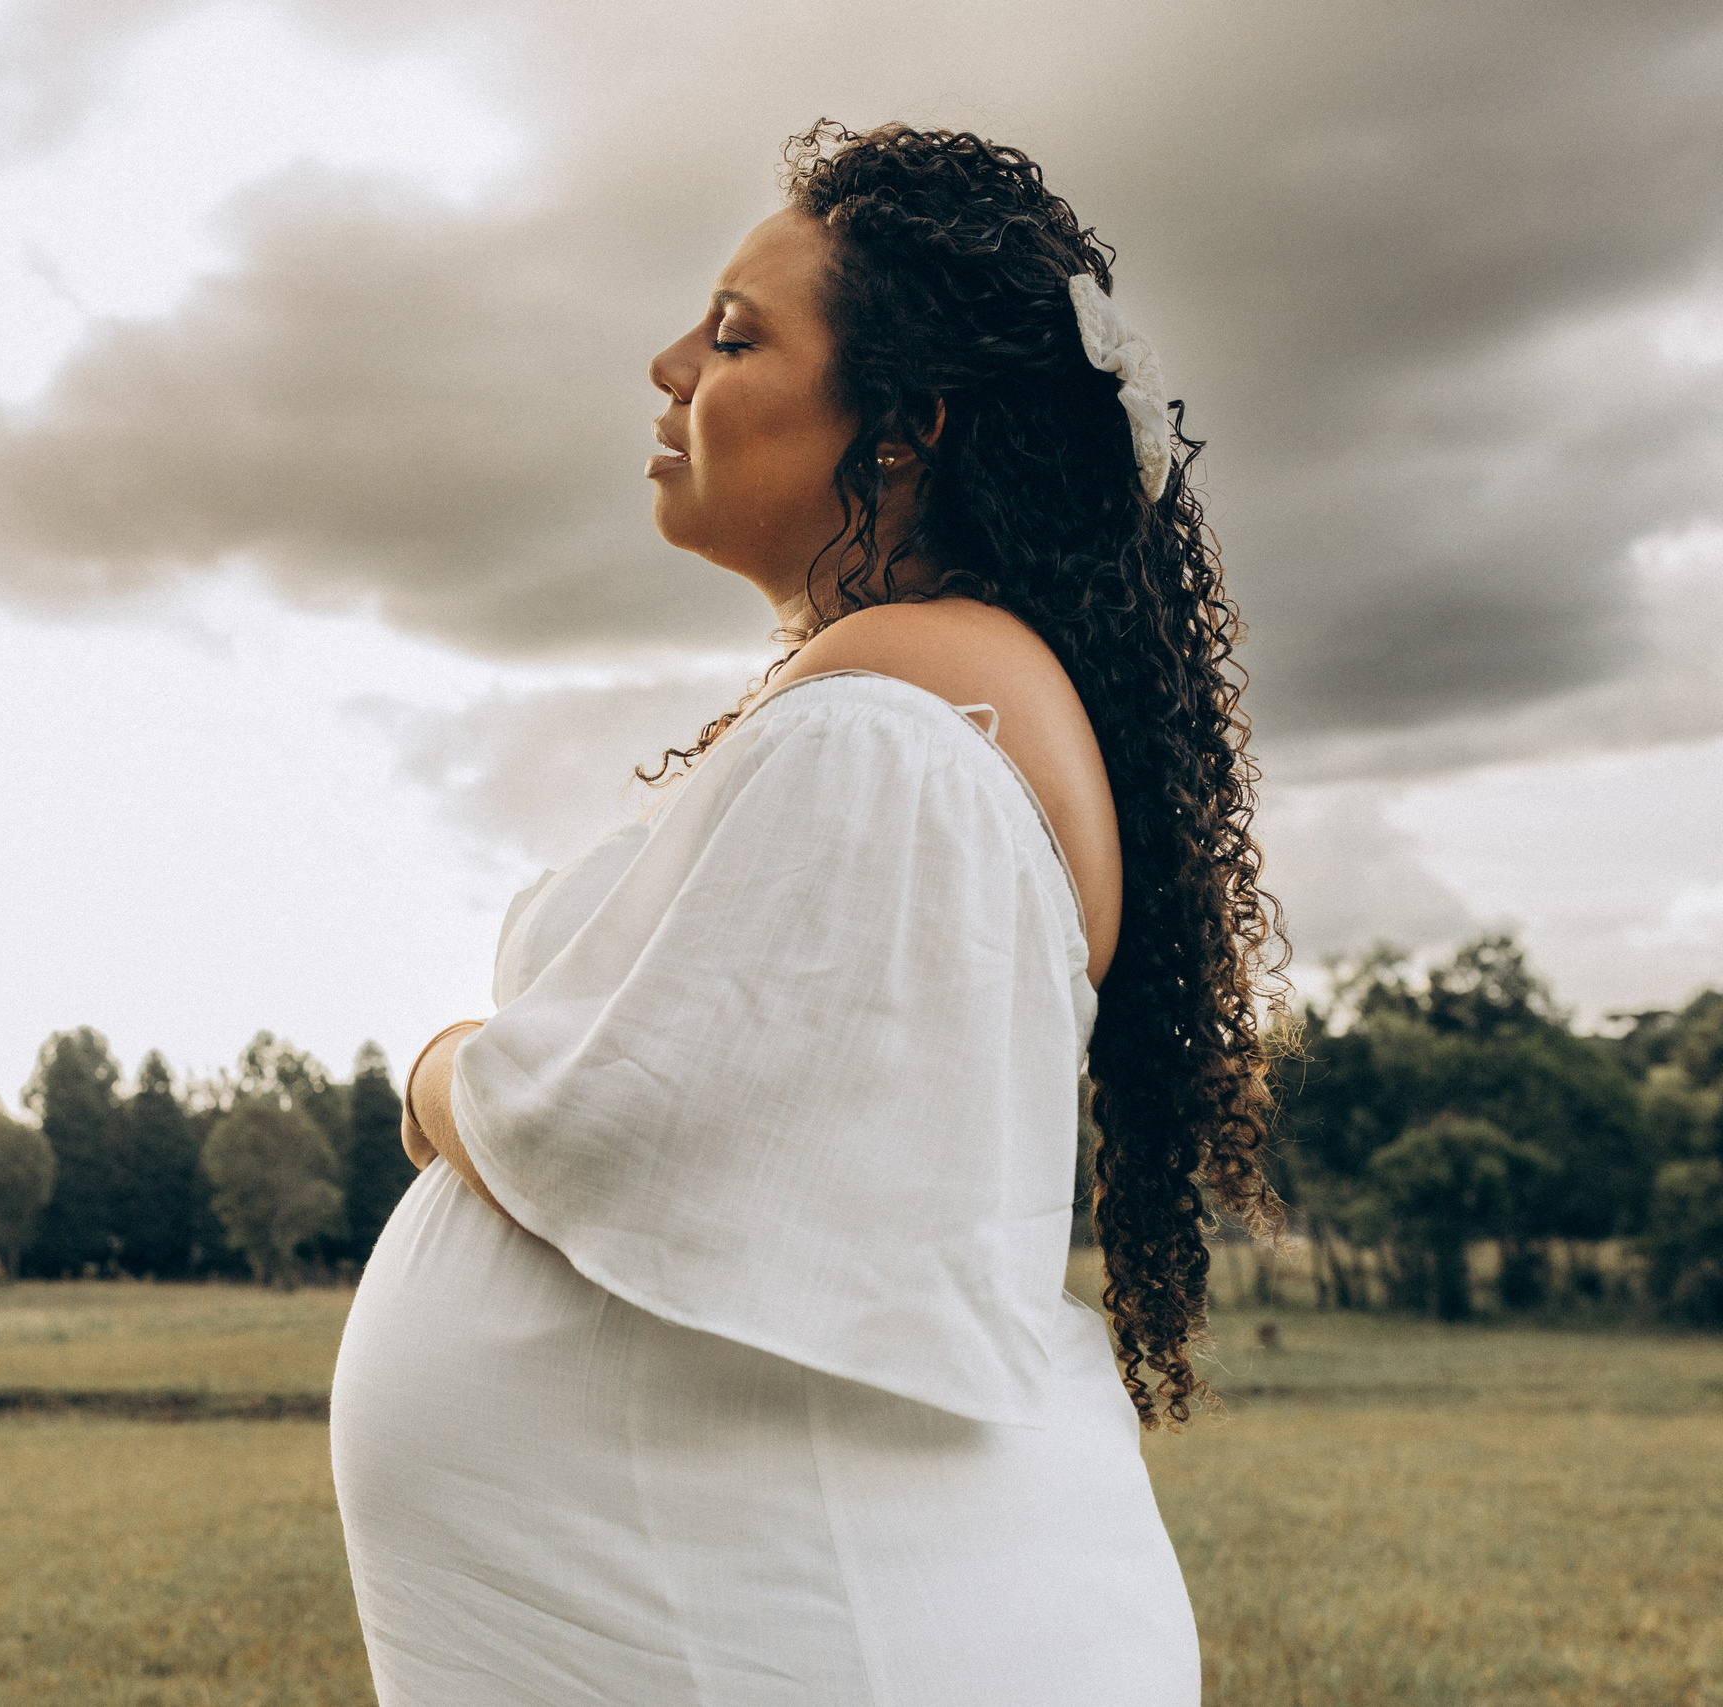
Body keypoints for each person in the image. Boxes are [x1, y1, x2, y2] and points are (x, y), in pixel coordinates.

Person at [329, 120, 1286, 1705]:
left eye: (731, 334)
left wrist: (440, 1073)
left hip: (809, 1632)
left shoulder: (890, 735)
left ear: (902, 428)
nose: (664, 367)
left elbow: (619, 1126)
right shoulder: (900, 711)